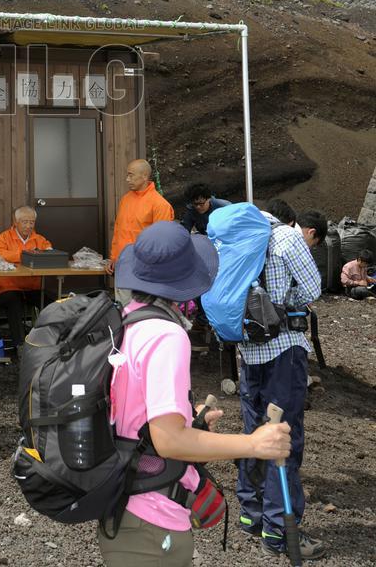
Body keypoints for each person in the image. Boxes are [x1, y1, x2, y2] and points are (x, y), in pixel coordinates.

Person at [101, 221, 291, 567]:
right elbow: (169, 441)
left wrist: (190, 417)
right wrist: (254, 444)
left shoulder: (127, 321)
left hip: (124, 503)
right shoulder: (166, 336)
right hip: (152, 520)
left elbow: (136, 414)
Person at [237, 207, 327, 560]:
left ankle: (251, 512)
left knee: (254, 430)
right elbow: (312, 289)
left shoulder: (238, 237)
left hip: (247, 348)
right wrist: (284, 298)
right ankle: (279, 530)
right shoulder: (287, 237)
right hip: (282, 349)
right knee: (283, 435)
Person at [106, 160, 174, 306]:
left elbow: (162, 243)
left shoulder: (160, 205)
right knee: (122, 308)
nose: (127, 179)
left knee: (142, 310)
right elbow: (118, 230)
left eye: (131, 175)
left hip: (144, 268)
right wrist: (113, 257)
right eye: (127, 175)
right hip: (122, 264)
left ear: (144, 176)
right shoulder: (125, 199)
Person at [0, 206, 52, 351]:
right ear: (16, 222)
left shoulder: (39, 239)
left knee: (52, 304)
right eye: (25, 222)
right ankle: (20, 345)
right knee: (14, 303)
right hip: (9, 286)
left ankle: (50, 343)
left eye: (31, 222)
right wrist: (25, 254)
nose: (28, 226)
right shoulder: (4, 237)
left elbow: (50, 253)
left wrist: (22, 256)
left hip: (34, 286)